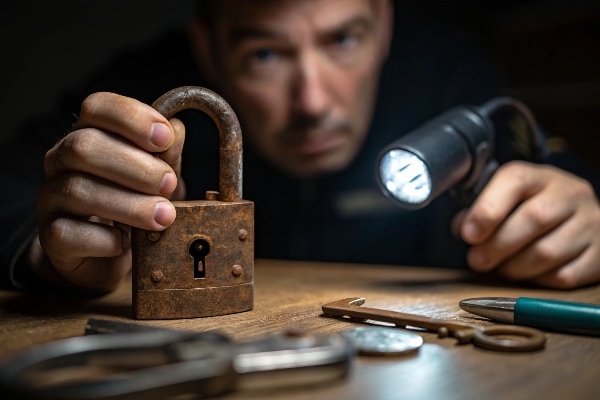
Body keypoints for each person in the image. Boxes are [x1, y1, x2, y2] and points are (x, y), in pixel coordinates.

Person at [1, 0, 599, 294]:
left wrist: (574, 214)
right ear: (207, 50)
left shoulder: (444, 73)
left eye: (342, 40)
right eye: (265, 53)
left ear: (383, 23)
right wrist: (47, 256)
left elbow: (537, 165)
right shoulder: (143, 90)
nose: (312, 100)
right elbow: (17, 183)